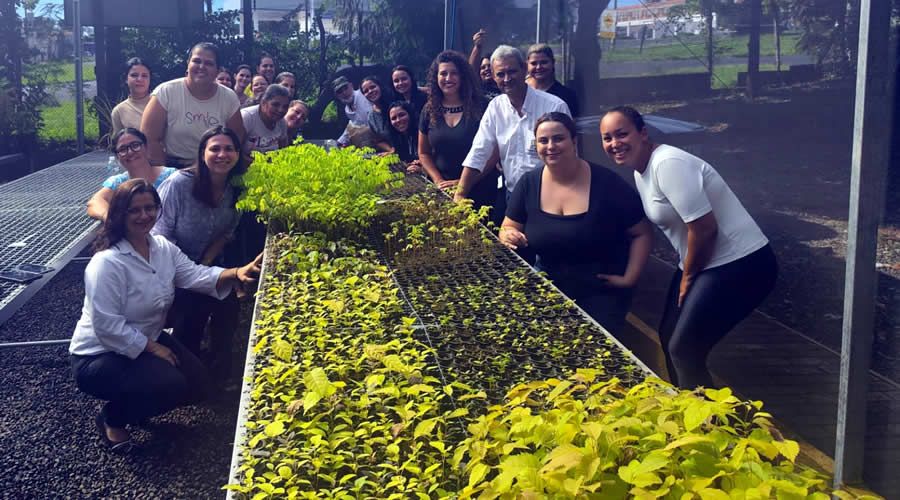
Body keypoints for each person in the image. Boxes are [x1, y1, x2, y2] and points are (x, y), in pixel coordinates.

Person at [70, 178, 262, 452]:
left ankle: (137, 403)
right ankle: (113, 417)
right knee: (170, 383)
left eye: (150, 208)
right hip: (99, 355)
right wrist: (154, 348)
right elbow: (107, 326)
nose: (144, 215)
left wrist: (236, 272)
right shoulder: (106, 263)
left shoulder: (161, 247)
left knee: (198, 385)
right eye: (134, 210)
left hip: (146, 338)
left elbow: (195, 274)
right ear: (120, 213)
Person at [600, 105, 777, 389]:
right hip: (706, 262)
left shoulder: (667, 163)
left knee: (684, 348)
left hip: (743, 264)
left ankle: (709, 427)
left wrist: (689, 276)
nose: (614, 144)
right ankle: (687, 411)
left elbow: (705, 229)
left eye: (622, 134)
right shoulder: (639, 169)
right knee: (669, 338)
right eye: (607, 138)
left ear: (643, 134)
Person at [499, 112, 652, 333]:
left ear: (574, 141)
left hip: (601, 291)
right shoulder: (528, 183)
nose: (551, 146)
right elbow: (508, 226)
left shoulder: (607, 183)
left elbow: (642, 233)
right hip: (548, 287)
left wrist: (629, 278)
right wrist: (507, 235)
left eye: (558, 138)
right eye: (543, 140)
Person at [152, 126, 247, 381]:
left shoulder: (236, 188)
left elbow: (227, 232)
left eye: (229, 149)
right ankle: (183, 377)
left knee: (228, 309)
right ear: (202, 153)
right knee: (190, 314)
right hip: (170, 265)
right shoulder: (179, 184)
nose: (222, 154)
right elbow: (160, 236)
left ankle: (219, 373)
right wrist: (187, 274)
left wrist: (203, 265)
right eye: (214, 148)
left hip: (207, 261)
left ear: (238, 154)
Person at [454, 45, 570, 203]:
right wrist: (460, 193)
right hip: (512, 194)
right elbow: (479, 150)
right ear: (494, 77)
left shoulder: (554, 106)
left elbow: (568, 154)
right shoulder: (495, 107)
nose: (507, 79)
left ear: (523, 69)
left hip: (551, 194)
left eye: (512, 71)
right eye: (500, 74)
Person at [141, 42, 245, 169]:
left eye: (209, 63)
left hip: (216, 167)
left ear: (218, 70)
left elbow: (236, 139)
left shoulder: (229, 97)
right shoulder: (165, 92)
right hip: (174, 167)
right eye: (196, 61)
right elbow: (150, 138)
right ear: (188, 63)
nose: (201, 67)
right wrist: (165, 174)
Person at [417, 50, 498, 209]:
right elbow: (423, 152)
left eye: (454, 73)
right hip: (444, 191)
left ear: (463, 76)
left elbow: (495, 152)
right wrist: (438, 181)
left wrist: (464, 183)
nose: (448, 78)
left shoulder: (482, 106)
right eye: (443, 73)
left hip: (481, 189)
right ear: (436, 77)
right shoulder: (429, 110)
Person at [87, 128, 177, 221]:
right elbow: (95, 202)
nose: (130, 152)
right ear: (117, 157)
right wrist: (110, 219)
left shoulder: (172, 176)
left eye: (135, 145)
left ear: (146, 147)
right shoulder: (119, 183)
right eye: (123, 149)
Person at [525, 44, 579, 117]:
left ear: (553, 62)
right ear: (527, 65)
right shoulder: (519, 89)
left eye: (544, 62)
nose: (538, 67)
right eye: (534, 63)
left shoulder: (567, 96)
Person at [241, 84, 291, 153]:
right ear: (263, 103)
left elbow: (284, 150)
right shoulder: (247, 117)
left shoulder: (282, 122)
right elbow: (235, 151)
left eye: (285, 107)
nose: (281, 110)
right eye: (275, 105)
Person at [110, 57, 152, 135]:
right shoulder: (119, 111)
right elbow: (120, 143)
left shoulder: (161, 104)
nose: (139, 79)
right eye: (134, 75)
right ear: (126, 79)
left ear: (150, 79)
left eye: (144, 76)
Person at [333, 76, 374, 147]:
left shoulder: (363, 94)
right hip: (371, 144)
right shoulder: (347, 109)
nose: (344, 93)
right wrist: (340, 141)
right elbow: (353, 124)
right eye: (340, 91)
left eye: (346, 88)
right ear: (337, 96)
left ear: (351, 85)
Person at [361, 75, 395, 153]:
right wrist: (391, 150)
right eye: (366, 91)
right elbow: (378, 141)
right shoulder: (371, 117)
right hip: (393, 153)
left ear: (380, 86)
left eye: (372, 87)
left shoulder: (395, 104)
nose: (370, 91)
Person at [467, 29, 501, 100]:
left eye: (489, 66)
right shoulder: (478, 89)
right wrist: (477, 46)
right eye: (482, 67)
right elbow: (471, 70)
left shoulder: (505, 87)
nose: (486, 69)